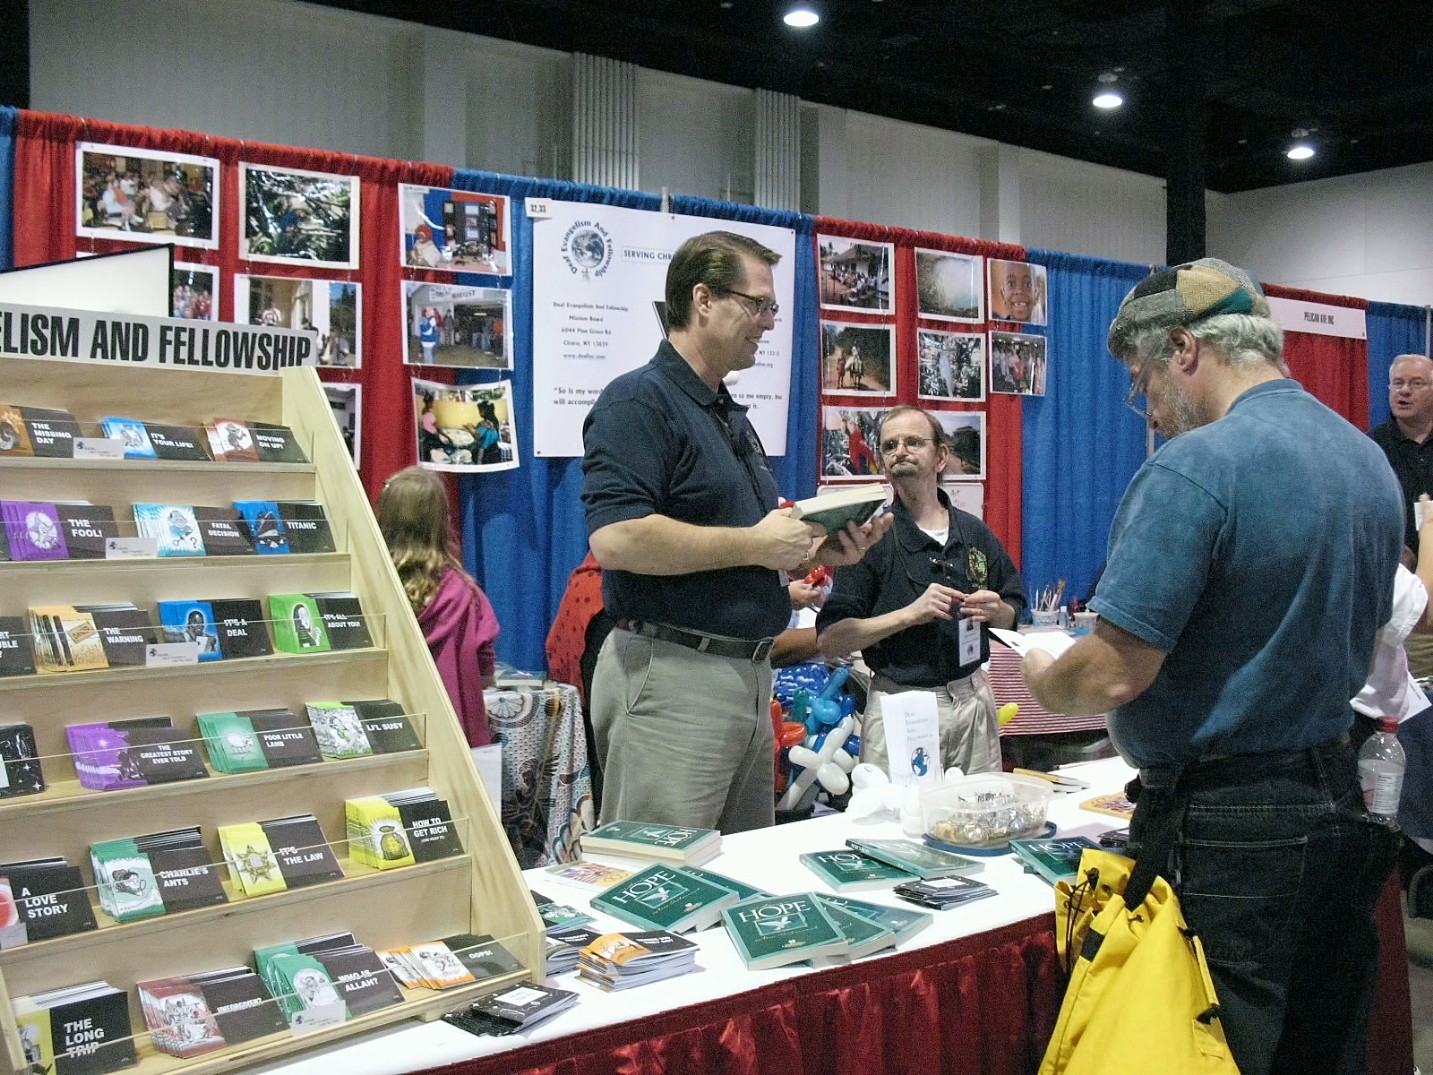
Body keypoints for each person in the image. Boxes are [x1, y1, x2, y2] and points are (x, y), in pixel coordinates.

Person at [1019, 257, 1402, 1075]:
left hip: (1229, 823)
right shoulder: (1366, 461)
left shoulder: (1195, 468)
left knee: (1216, 1045)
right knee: (1321, 1043)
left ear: (1184, 349)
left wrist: (1044, 673)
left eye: (1142, 378)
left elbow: (1112, 674)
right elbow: (1371, 632)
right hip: (1338, 794)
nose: (1147, 406)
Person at [581, 229, 891, 833]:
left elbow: (740, 547)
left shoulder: (726, 415)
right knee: (658, 888)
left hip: (745, 677)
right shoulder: (638, 402)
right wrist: (757, 543)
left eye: (771, 308)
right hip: (673, 678)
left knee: (738, 884)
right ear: (702, 300)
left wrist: (817, 551)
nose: (769, 323)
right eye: (758, 305)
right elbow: (616, 538)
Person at [817, 405, 1024, 777]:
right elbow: (831, 640)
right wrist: (909, 614)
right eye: (889, 445)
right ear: (882, 462)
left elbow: (1012, 609)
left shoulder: (974, 533)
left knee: (979, 820)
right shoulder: (872, 538)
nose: (900, 451)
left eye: (913, 442)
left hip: (972, 699)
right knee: (896, 828)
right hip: (902, 703)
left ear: (941, 456)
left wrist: (997, 611)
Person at [377, 466, 499, 747]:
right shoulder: (465, 593)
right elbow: (486, 675)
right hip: (449, 738)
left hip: (386, 730)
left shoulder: (369, 586)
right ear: (441, 521)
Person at [1370, 353, 1433, 678]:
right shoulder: (1371, 448)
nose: (1404, 391)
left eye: (1416, 383)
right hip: (1403, 608)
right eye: (1398, 383)